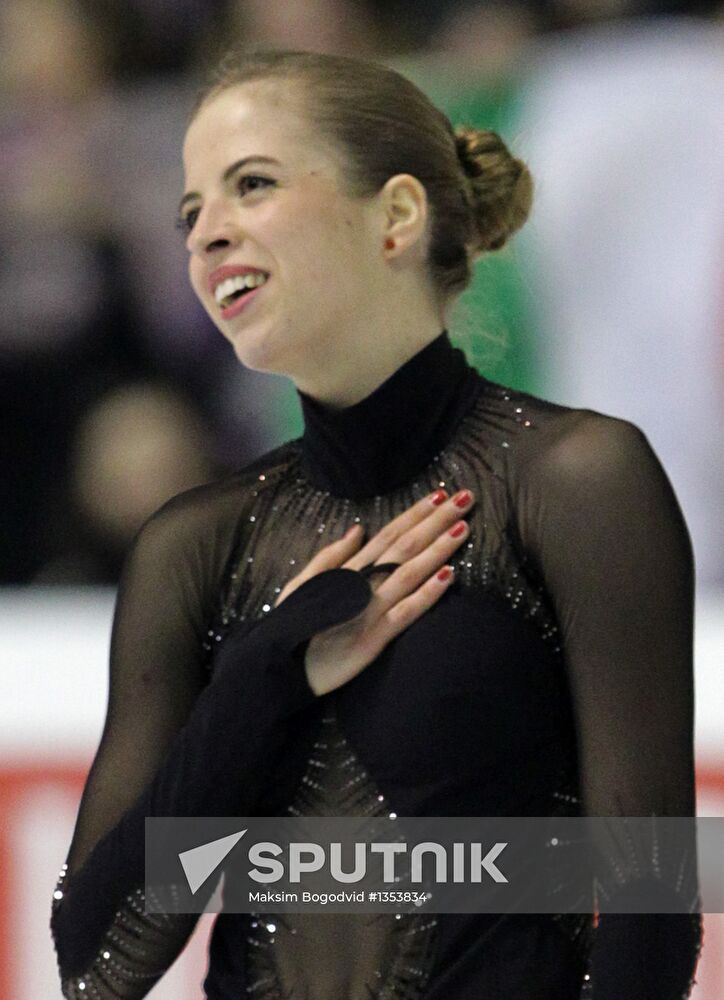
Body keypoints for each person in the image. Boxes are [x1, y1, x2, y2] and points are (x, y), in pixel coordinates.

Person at [50, 48, 703, 999]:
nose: (206, 236)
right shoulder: (196, 545)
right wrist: (266, 676)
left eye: (253, 186)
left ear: (396, 215)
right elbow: (101, 956)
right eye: (191, 215)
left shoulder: (574, 483)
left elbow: (646, 904)